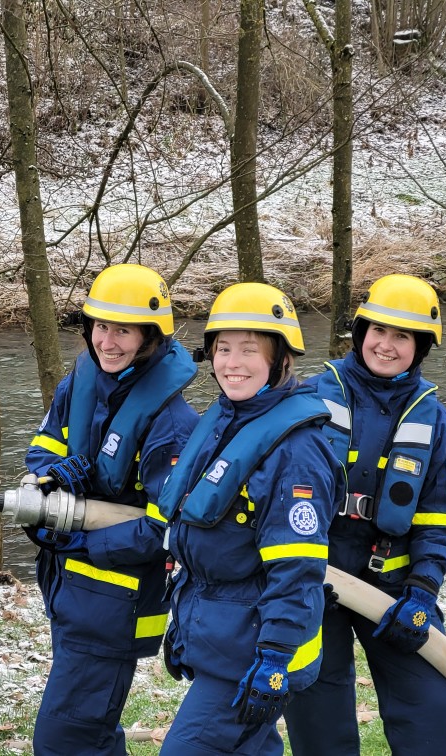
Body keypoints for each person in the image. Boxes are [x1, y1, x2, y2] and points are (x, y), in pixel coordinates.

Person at [283, 274, 446, 754]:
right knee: (318, 722)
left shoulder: (436, 422)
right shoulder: (308, 399)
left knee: (434, 707)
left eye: (402, 336)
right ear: (360, 332)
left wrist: (423, 591)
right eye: (378, 331)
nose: (386, 345)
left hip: (395, 592)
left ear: (422, 346)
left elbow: (441, 520)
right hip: (312, 580)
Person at [158, 282, 342, 755]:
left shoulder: (297, 451)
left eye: (248, 350)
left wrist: (274, 661)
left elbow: (296, 569)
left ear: (280, 358)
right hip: (224, 639)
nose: (231, 363)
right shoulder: (224, 420)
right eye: (222, 349)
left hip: (255, 651)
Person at [23, 263, 200, 755]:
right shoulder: (78, 384)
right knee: (92, 736)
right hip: (69, 590)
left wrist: (77, 535)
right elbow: (41, 447)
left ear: (150, 337)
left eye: (123, 330)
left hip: (115, 603)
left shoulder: (173, 424)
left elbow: (168, 529)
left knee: (65, 740)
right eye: (101, 326)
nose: (108, 341)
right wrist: (53, 478)